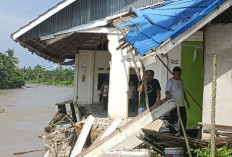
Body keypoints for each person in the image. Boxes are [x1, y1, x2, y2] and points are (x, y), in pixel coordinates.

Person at [165, 66, 190, 136]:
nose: (178, 74)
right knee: (172, 119)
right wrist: (167, 97)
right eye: (176, 73)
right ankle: (172, 132)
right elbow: (167, 91)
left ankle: (182, 133)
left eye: (179, 73)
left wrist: (187, 102)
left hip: (181, 104)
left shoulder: (181, 80)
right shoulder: (170, 81)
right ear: (173, 74)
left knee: (183, 119)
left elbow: (183, 91)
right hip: (173, 104)